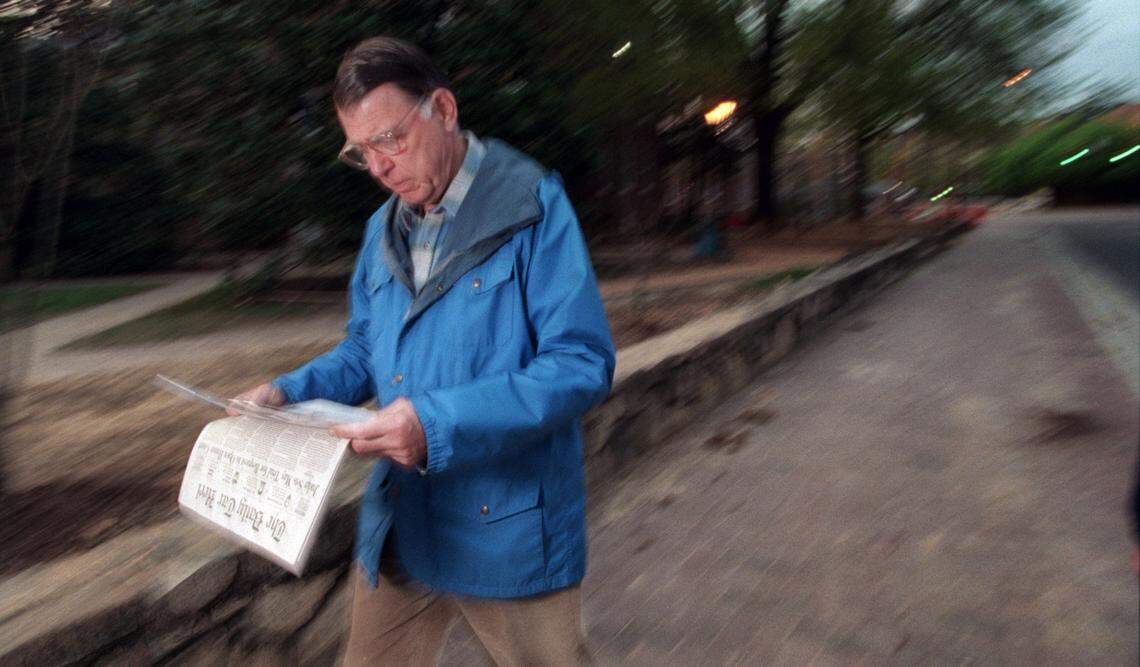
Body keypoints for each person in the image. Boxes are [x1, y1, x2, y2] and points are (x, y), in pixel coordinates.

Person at [233, 36, 614, 666]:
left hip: (504, 524)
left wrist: (434, 424)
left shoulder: (532, 205)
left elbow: (580, 363)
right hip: (403, 522)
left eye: (391, 139)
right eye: (361, 151)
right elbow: (364, 349)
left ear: (443, 108)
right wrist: (285, 393)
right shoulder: (380, 230)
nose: (379, 167)